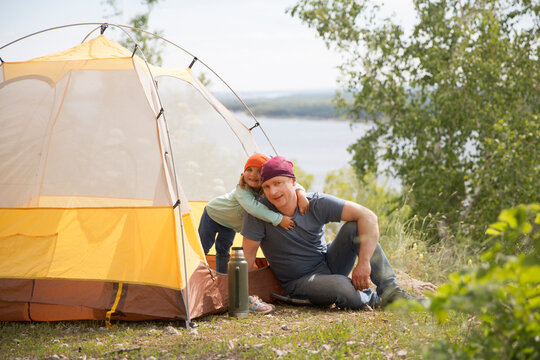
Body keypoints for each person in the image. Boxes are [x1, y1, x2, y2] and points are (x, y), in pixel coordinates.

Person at [241, 156, 424, 310]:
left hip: (330, 262)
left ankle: (391, 292)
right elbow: (248, 255)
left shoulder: (315, 203)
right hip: (301, 281)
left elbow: (368, 217)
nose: (273, 191)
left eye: (278, 183)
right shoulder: (258, 214)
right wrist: (245, 296)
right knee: (341, 286)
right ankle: (377, 301)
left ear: (293, 182)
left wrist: (364, 263)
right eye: (266, 187)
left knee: (355, 227)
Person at [199, 153, 309, 274]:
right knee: (203, 247)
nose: (253, 175)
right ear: (243, 172)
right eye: (249, 170)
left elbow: (290, 182)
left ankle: (223, 278)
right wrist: (279, 219)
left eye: (259, 171)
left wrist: (301, 194)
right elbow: (254, 208)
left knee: (223, 250)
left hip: (229, 224)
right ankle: (193, 275)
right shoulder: (241, 190)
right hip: (213, 214)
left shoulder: (266, 188)